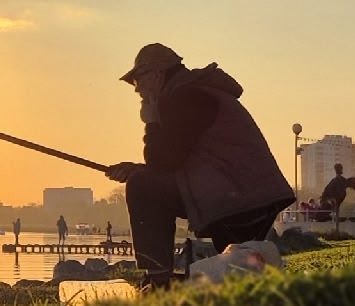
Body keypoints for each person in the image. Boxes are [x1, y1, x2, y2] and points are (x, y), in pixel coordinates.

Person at [106, 41, 295, 288]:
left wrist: (150, 122)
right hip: (244, 193)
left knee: (142, 187)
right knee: (241, 272)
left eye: (137, 79)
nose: (137, 88)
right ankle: (161, 279)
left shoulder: (186, 97)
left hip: (236, 198)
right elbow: (176, 160)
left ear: (157, 73)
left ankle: (157, 279)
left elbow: (163, 160)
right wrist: (139, 168)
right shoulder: (194, 92)